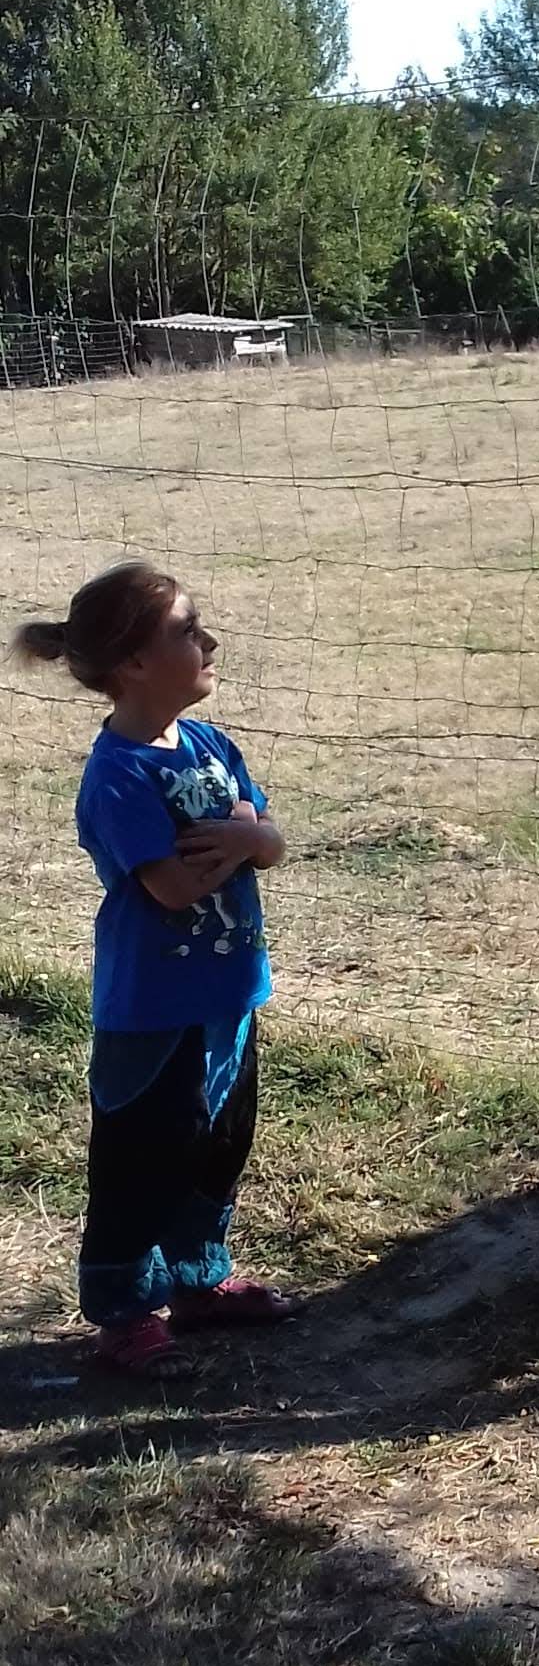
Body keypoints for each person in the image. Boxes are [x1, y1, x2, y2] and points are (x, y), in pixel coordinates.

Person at [13, 560, 293, 1371]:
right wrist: (240, 839)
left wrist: (247, 837)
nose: (210, 643)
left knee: (217, 1145)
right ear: (135, 662)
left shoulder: (210, 745)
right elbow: (168, 886)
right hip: (152, 1007)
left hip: (228, 992)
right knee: (142, 1158)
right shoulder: (118, 774)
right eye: (188, 631)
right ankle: (126, 1313)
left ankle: (200, 1280)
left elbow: (271, 840)